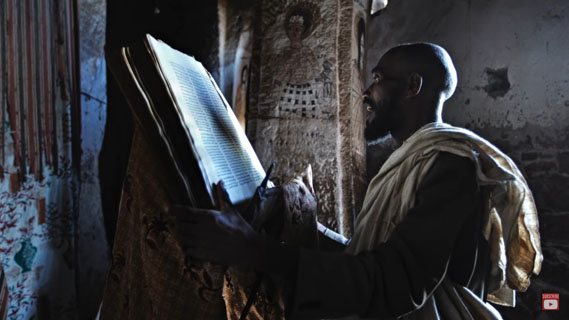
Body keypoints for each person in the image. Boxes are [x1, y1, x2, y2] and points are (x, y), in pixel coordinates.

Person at [174, 43, 542, 319]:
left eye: (379, 79)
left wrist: (252, 249)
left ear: (414, 85)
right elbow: (373, 251)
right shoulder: (412, 157)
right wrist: (299, 220)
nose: (367, 92)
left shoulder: (449, 165)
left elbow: (395, 282)